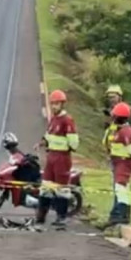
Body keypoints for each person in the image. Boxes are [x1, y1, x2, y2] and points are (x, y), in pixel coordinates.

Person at [37, 89, 78, 226]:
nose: (54, 106)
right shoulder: (53, 120)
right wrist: (41, 143)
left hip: (62, 157)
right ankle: (41, 215)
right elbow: (48, 135)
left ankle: (61, 216)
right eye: (52, 104)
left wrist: (65, 149)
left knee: (61, 188)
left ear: (62, 104)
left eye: (56, 104)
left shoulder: (67, 121)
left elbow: (74, 142)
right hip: (51, 156)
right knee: (46, 186)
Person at [104, 102, 131, 227]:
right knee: (122, 188)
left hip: (124, 162)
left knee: (121, 188)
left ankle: (121, 215)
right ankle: (120, 214)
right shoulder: (118, 129)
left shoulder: (125, 132)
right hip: (118, 161)